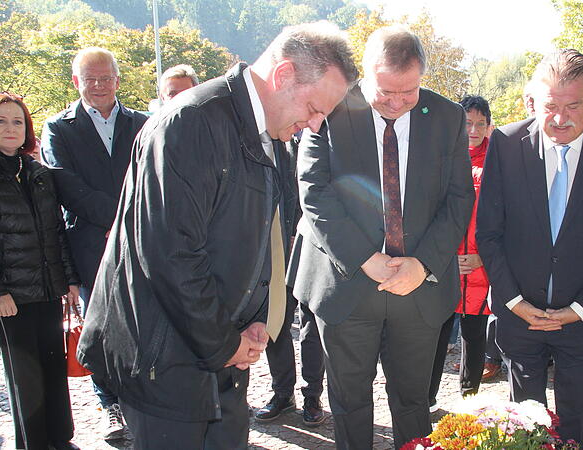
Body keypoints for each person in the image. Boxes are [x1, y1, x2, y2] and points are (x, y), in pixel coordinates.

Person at [77, 22, 358, 450]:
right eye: (315, 108)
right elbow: (170, 254)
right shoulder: (190, 122)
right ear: (283, 75)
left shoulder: (272, 134)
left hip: (219, 352)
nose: (316, 125)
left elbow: (265, 239)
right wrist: (225, 343)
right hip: (163, 357)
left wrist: (257, 320)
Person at [289, 25, 475, 449]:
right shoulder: (331, 108)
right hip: (346, 284)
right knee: (349, 401)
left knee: (413, 403)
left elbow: (459, 197)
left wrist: (422, 264)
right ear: (364, 73)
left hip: (418, 288)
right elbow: (314, 191)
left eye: (408, 92)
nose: (396, 103)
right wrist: (364, 258)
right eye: (385, 91)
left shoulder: (447, 117)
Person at [476, 49, 583, 445]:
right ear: (533, 102)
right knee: (524, 423)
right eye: (550, 106)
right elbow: (489, 234)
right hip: (519, 314)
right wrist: (515, 302)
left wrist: (579, 308)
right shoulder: (506, 143)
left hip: (582, 316)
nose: (560, 118)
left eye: (573, 106)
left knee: (575, 419)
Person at [41, 46, 149, 441]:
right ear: (76, 82)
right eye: (91, 79)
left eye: (106, 78)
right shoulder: (59, 128)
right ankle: (110, 404)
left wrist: (126, 222)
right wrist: (115, 219)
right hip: (89, 244)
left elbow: (152, 177)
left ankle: (142, 400)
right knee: (99, 326)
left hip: (139, 240)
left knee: (141, 322)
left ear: (118, 80)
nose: (100, 85)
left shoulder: (143, 122)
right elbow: (65, 183)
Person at [0, 92, 81, 450]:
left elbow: (56, 230)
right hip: (10, 297)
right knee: (25, 379)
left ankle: (60, 439)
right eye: (1, 121)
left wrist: (69, 279)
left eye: (18, 121)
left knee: (54, 371)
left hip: (48, 290)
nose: (11, 128)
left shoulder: (38, 173)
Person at [254, 136, 327, 428]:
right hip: (275, 247)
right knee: (276, 322)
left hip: (312, 246)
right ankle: (283, 393)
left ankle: (312, 396)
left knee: (312, 326)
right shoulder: (271, 137)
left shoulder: (325, 132)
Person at [428, 95, 493, 411]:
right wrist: (445, 256)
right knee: (436, 335)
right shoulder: (439, 158)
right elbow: (428, 214)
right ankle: (427, 400)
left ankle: (470, 401)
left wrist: (482, 257)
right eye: (468, 123)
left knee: (474, 336)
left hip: (480, 267)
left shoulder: (497, 163)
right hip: (444, 264)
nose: (474, 130)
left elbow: (505, 218)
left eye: (481, 123)